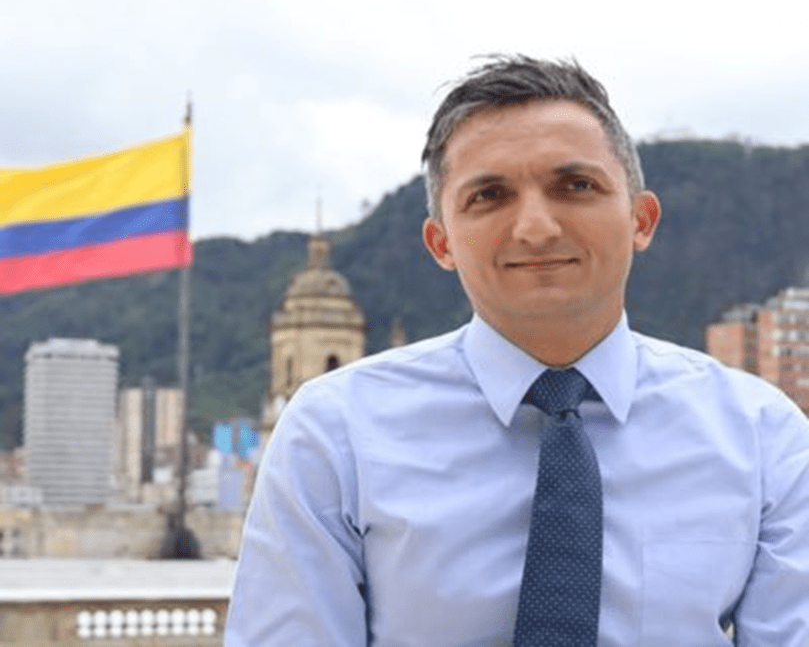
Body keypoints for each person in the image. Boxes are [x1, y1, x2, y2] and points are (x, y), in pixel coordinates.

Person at [225, 55, 809, 645]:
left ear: (641, 218)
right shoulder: (335, 434)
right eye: (489, 194)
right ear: (440, 242)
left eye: (575, 186)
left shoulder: (762, 438)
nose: (536, 227)